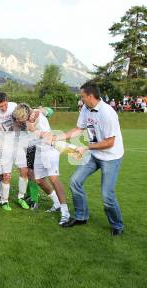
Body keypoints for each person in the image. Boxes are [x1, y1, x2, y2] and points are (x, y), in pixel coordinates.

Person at [53, 82, 124, 236]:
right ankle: (81, 217)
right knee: (75, 181)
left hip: (111, 157)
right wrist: (59, 136)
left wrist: (86, 147)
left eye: (82, 96)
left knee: (107, 195)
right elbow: (79, 129)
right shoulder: (86, 108)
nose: (81, 99)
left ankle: (117, 224)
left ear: (91, 96)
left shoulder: (108, 113)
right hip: (95, 155)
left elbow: (109, 142)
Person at [13, 104, 71, 225]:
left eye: (20, 119)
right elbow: (46, 111)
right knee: (38, 180)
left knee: (54, 179)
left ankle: (65, 213)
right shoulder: (32, 116)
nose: (18, 121)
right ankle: (56, 202)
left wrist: (34, 129)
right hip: (39, 150)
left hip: (49, 150)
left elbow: (48, 136)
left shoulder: (40, 119)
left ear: (25, 115)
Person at [0, 92, 29, 210]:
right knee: (6, 175)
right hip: (3, 147)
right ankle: (4, 200)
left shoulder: (14, 106)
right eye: (1, 106)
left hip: (17, 144)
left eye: (5, 105)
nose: (4, 108)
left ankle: (21, 197)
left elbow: (27, 112)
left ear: (8, 101)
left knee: (24, 170)